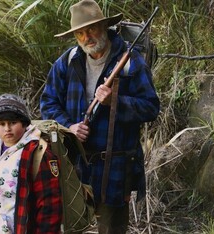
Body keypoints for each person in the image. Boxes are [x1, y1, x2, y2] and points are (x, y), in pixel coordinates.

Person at [40, 0, 160, 233]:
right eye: (80, 33)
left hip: (114, 166)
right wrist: (68, 127)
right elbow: (47, 102)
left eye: (92, 29)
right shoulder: (67, 62)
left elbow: (151, 108)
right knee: (72, 226)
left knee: (112, 229)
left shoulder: (130, 62)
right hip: (76, 163)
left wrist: (115, 100)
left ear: (104, 27)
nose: (87, 37)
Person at [0, 93, 62, 234]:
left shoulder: (37, 152)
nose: (7, 129)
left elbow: (49, 204)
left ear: (24, 122)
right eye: (1, 124)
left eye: (12, 123)